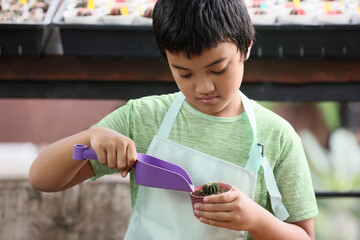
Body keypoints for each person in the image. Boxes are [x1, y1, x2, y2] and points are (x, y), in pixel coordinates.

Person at [29, 0, 318, 239]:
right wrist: (89, 139)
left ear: (247, 47)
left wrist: (256, 220)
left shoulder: (276, 136)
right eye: (184, 73)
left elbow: (304, 235)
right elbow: (41, 178)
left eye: (218, 69)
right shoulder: (142, 118)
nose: (204, 87)